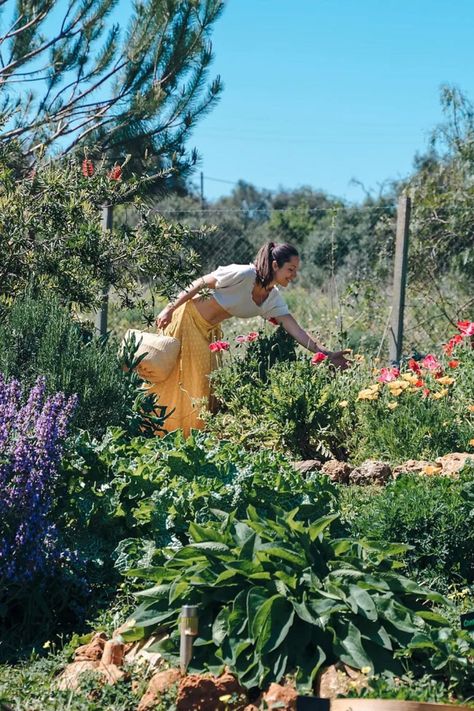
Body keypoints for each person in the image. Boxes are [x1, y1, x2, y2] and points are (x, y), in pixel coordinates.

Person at [151, 241, 349, 436]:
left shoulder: (272, 298)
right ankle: (160, 429)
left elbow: (295, 329)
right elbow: (200, 283)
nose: (294, 275)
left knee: (201, 382)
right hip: (187, 319)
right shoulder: (244, 274)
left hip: (207, 331)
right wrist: (169, 309)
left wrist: (326, 354)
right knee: (186, 377)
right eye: (290, 269)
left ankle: (186, 434)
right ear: (274, 265)